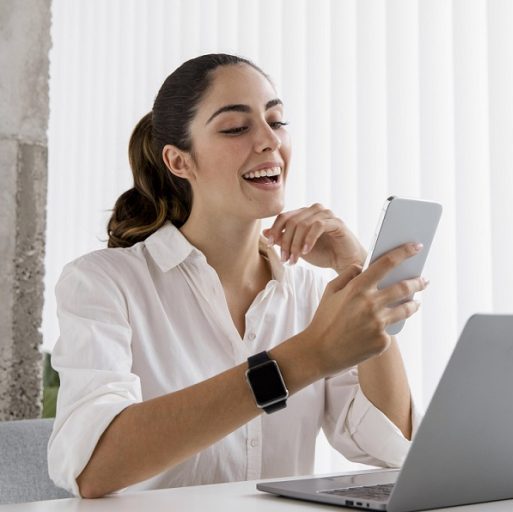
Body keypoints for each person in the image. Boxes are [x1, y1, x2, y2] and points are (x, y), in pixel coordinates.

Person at [47, 53, 427, 499]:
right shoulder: (104, 284)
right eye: (235, 128)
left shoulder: (310, 294)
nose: (269, 141)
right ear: (178, 161)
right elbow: (93, 466)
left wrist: (360, 278)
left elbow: (391, 446)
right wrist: (306, 356)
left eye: (277, 121)